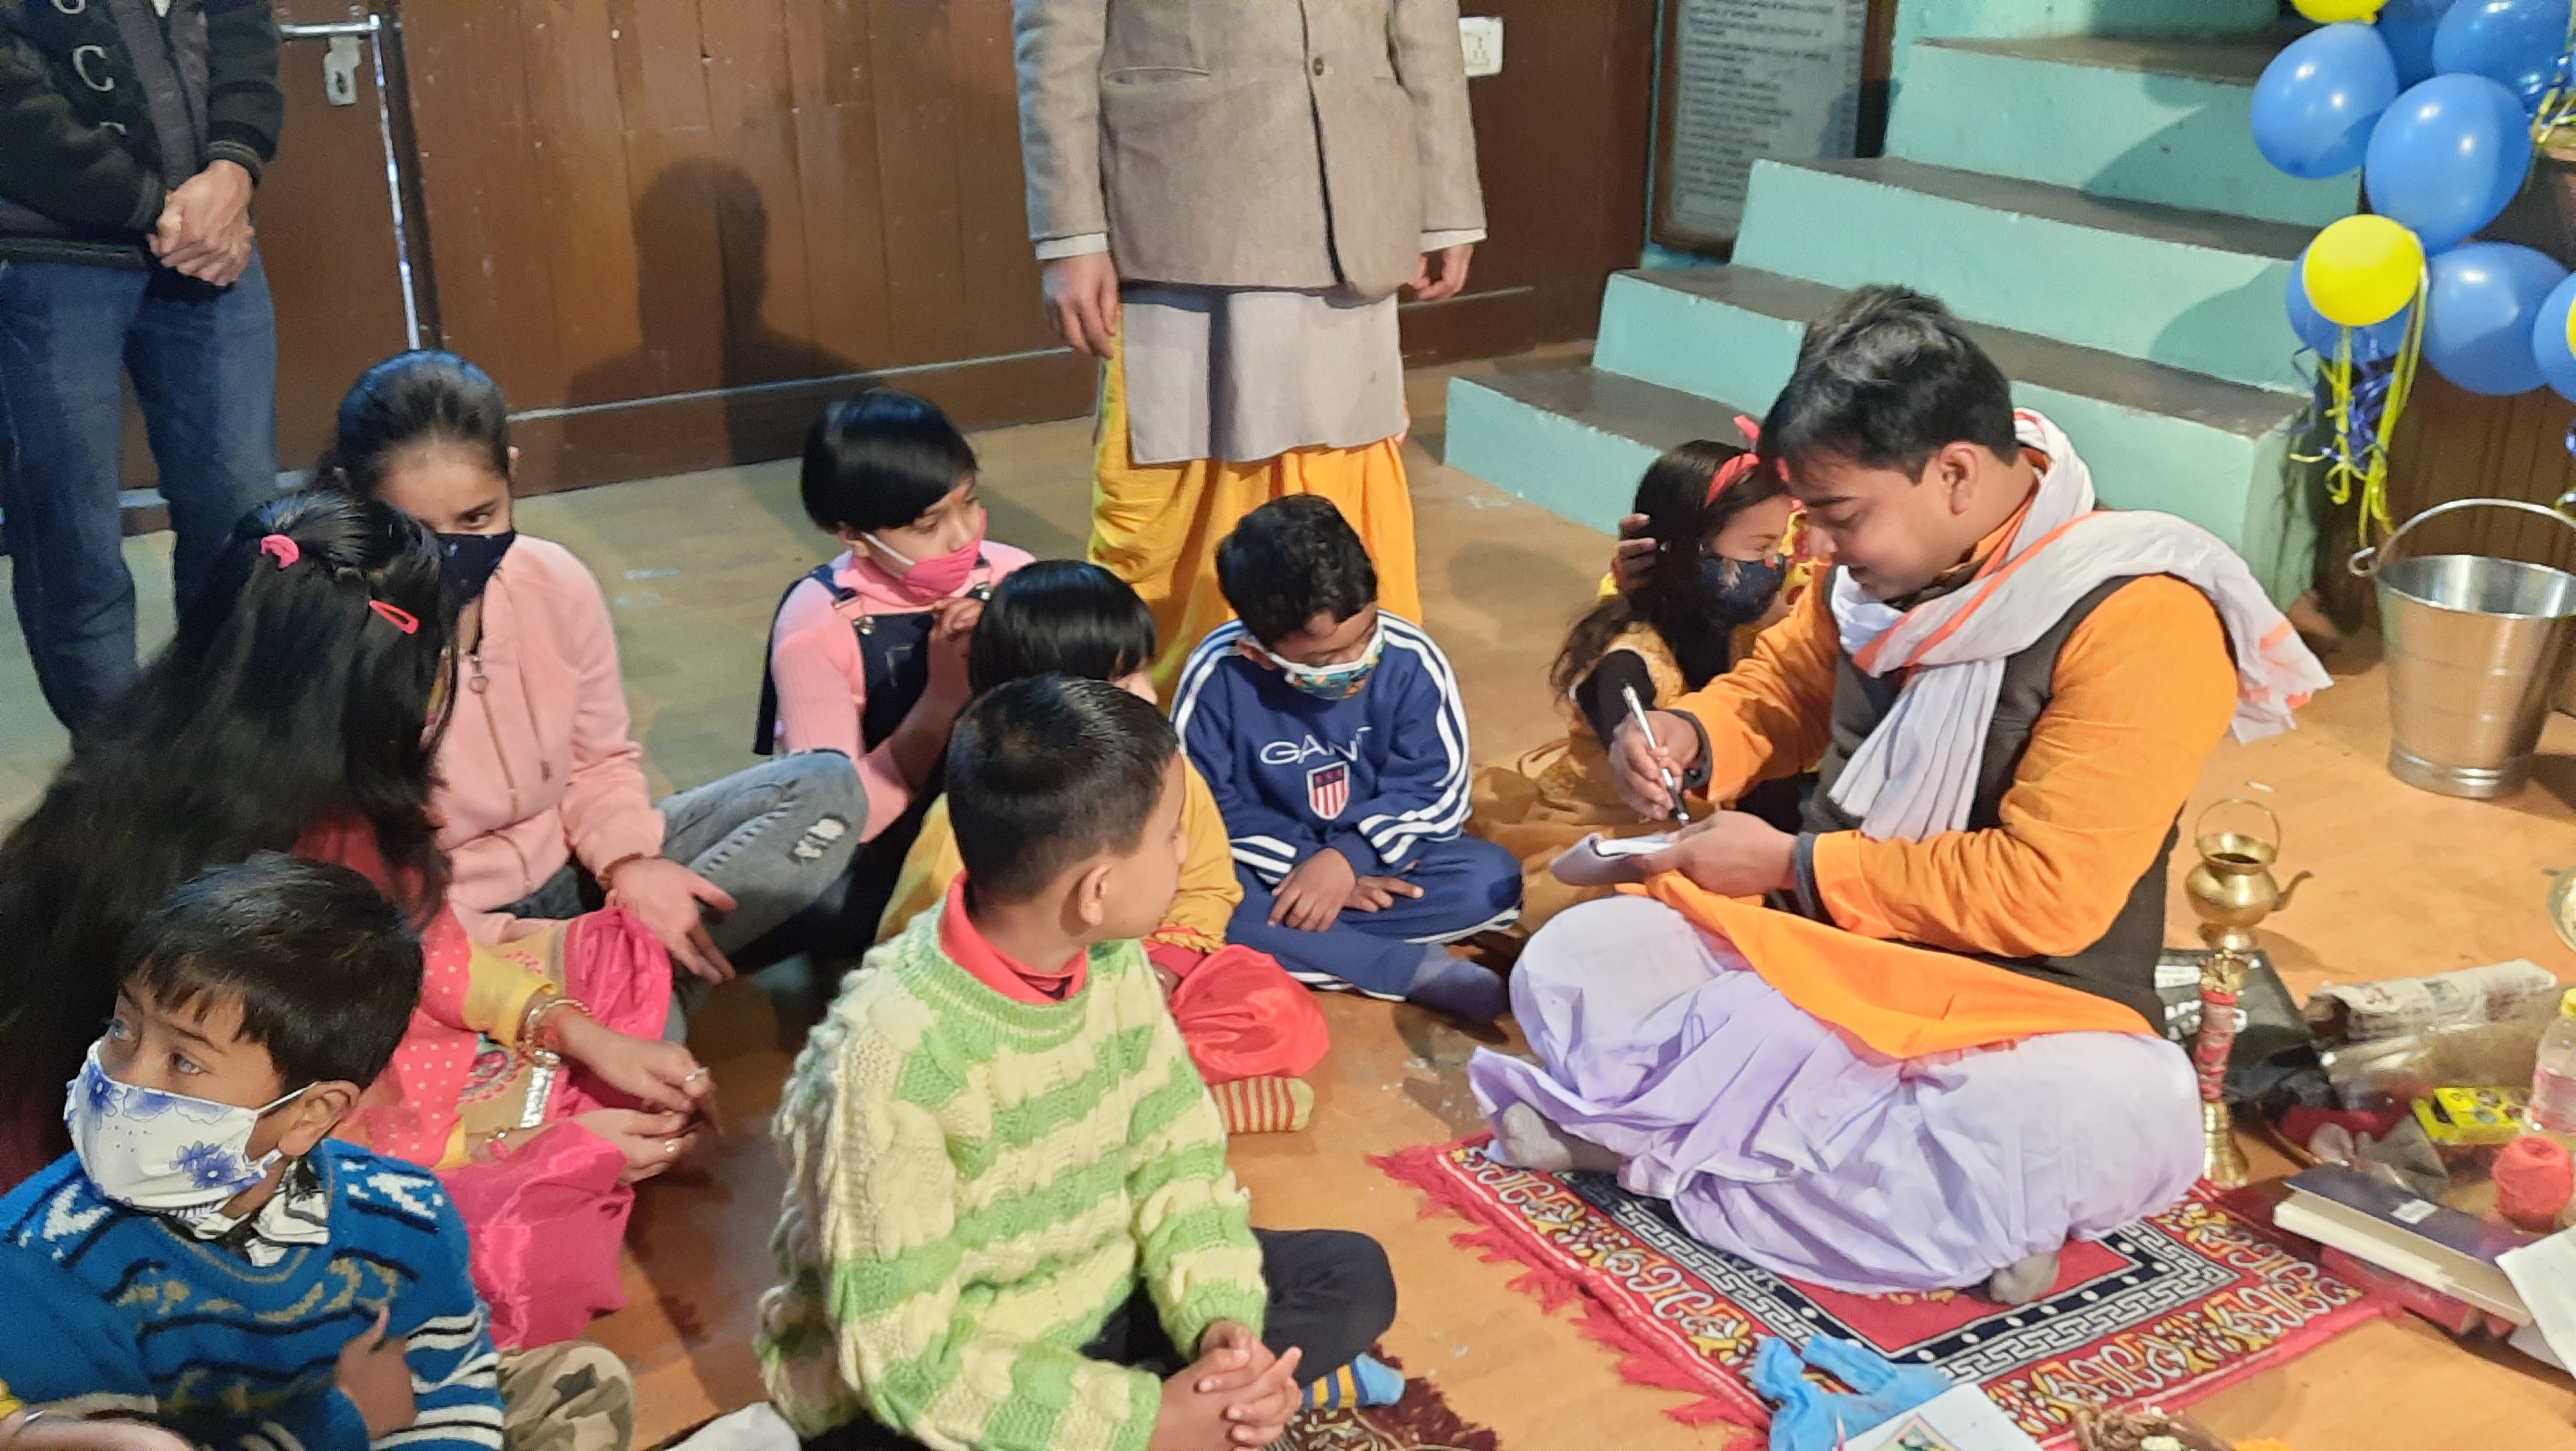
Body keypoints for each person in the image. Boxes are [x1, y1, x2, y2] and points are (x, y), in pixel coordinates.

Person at [1470, 287, 2334, 1301]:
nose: (1818, 555)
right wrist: (1691, 734)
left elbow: (2046, 889)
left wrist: (1792, 863)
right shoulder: (1875, 576)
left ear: (1955, 472)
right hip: (1825, 949)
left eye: (1837, 518)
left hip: (2028, 1008)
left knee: (2060, 1127)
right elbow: (1783, 688)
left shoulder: (2141, 614)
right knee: (1576, 959)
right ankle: (1812, 1186)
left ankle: (1639, 1150)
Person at [0, 491, 711, 1348]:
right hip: (178, 1227)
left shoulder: (153, 772)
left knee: (622, 1017)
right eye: (448, 659)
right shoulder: (279, 878)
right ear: (395, 686)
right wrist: (544, 1156)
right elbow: (269, 1158)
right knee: (537, 1258)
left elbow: (429, 945)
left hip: (227, 1128)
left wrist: (577, 1032)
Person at [759, 677, 1401, 1450]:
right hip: (950, 1364)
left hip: (1096, 1296)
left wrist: (1223, 1327)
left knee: (1352, 1276)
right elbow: (906, 1363)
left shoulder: (1111, 961)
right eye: (1171, 835)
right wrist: (1149, 1422)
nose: (1187, 850)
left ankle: (1210, 1397)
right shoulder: (889, 1061)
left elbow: (1177, 1160)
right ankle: (1203, 1409)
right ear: (1097, 890)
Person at [0, 853, 633, 1451]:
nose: (126, 1079)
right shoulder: (43, 1256)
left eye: (184, 1061)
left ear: (310, 1114)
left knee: (580, 1381)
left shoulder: (403, 1216)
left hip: (347, 1426)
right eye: (123, 1029)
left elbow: (439, 1393)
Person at [325, 350, 865, 1025]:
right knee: (637, 1079)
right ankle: (622, 987)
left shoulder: (556, 582)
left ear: (511, 475)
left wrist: (632, 864)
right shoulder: (335, 637)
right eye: (415, 532)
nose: (453, 555)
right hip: (452, 933)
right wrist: (530, 950)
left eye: (478, 519)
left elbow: (600, 760)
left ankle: (620, 982)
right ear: (355, 500)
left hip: (581, 872)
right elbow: (365, 888)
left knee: (825, 790)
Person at [1013, 0, 1485, 694]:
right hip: (1183, 204)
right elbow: (1056, 37)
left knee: (1351, 495)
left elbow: (1423, 25)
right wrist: (1070, 233)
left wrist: (1447, 200)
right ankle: (1167, 735)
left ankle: (1353, 716)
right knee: (1173, 518)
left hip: (1353, 207)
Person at [874, 561, 1331, 1132]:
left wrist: (1161, 973)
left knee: (1279, 1012)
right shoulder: (970, 816)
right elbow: (908, 962)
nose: (1145, 691)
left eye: (1141, 669)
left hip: (1147, 986)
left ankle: (1107, 1108)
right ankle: (1152, 1111)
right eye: (1117, 682)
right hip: (1018, 1021)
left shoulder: (1170, 774)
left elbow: (1208, 886)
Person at [0, 0, 284, 731]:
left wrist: (235, 168)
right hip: (43, 254)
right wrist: (151, 206)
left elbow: (243, 30)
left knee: (242, 514)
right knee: (71, 534)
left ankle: (220, 748)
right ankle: (118, 774)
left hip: (210, 246)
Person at [1172, 496, 1519, 1022]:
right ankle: (1403, 968)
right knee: (1197, 897)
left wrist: (1346, 860)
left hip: (1383, 855)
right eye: (1325, 659)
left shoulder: (1411, 658)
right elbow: (1199, 808)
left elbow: (1435, 793)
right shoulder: (1216, 676)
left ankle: (1309, 942)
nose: (1355, 663)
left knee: (1491, 880)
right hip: (1270, 868)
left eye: (1365, 636)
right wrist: (1302, 866)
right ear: (1259, 651)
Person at [1471, 436, 1798, 934]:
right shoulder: (1629, 656)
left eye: (1780, 547)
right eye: (1762, 549)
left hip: (1694, 823)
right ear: (1688, 551)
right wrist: (1640, 751)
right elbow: (1620, 708)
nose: (1777, 565)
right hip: (1605, 832)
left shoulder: (1745, 626)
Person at [755, 390, 1033, 953]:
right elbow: (836, 816)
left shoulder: (1014, 575)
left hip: (1015, 828)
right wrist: (941, 699)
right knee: (810, 905)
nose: (962, 535)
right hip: (888, 847)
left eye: (969, 503)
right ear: (852, 534)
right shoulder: (816, 623)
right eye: (929, 524)